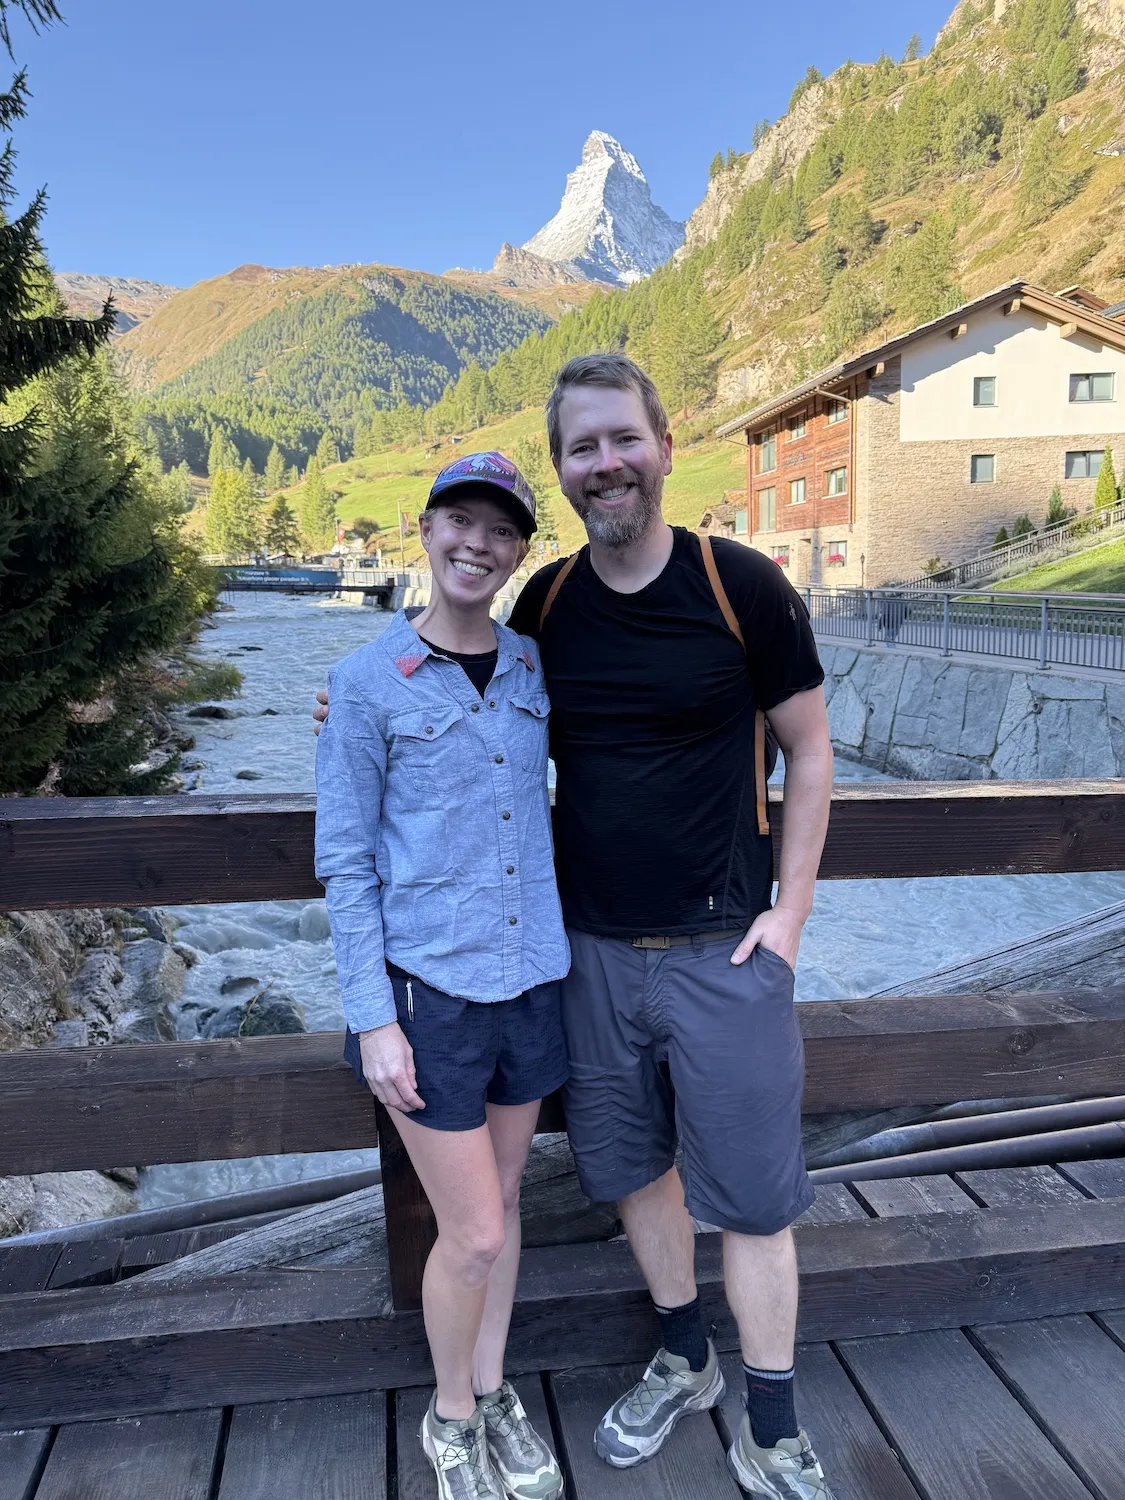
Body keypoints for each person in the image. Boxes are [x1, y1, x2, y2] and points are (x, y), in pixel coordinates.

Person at [317, 358, 837, 1500]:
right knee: (634, 1173)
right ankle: (681, 1357)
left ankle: (776, 1423)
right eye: (582, 449)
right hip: (586, 960)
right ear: (563, 473)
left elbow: (809, 744)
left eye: (622, 439)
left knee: (751, 1195)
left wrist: (791, 913)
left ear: (663, 440)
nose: (605, 463)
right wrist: (357, 696)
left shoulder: (737, 584)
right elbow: (427, 711)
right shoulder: (547, 607)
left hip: (722, 949)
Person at [314, 449, 569, 1500]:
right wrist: (372, 1018)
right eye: (458, 522)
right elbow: (345, 859)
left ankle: (494, 1385)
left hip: (534, 980)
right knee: (470, 1231)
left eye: (501, 529)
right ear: (423, 533)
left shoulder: (532, 668)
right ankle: (451, 1413)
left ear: (519, 552)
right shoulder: (364, 684)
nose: (477, 543)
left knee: (504, 1203)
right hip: (428, 998)